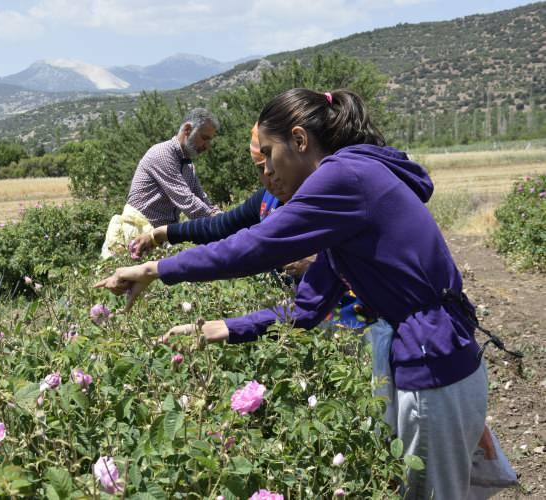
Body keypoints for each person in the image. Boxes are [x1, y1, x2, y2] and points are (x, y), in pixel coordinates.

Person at [96, 89, 507, 498]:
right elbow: (308, 309)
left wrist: (156, 268)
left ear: (299, 140)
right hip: (438, 360)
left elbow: (255, 245)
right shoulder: (347, 197)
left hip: (434, 363)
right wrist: (223, 328)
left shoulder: (342, 177)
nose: (268, 174)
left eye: (270, 155)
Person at [130, 123, 377, 331]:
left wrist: (318, 260)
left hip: (360, 324)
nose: (268, 176)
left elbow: (370, 255)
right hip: (306, 318)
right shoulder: (267, 201)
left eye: (270, 165)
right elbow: (220, 227)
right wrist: (163, 234)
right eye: (260, 169)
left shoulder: (336, 200)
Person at [101, 108, 221, 258]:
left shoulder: (188, 165)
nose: (207, 146)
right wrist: (221, 225)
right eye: (204, 138)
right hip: (137, 236)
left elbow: (202, 200)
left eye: (210, 140)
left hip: (157, 238)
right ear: (188, 129)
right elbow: (188, 202)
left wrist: (225, 218)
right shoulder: (163, 154)